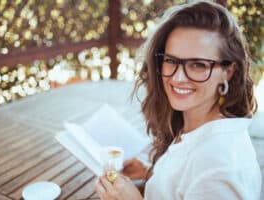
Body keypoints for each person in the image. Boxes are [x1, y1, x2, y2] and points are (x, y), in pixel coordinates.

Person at [95, 1, 262, 199]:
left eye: (198, 65)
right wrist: (151, 174)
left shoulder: (220, 168)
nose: (178, 78)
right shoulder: (197, 125)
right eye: (171, 60)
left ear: (228, 71)